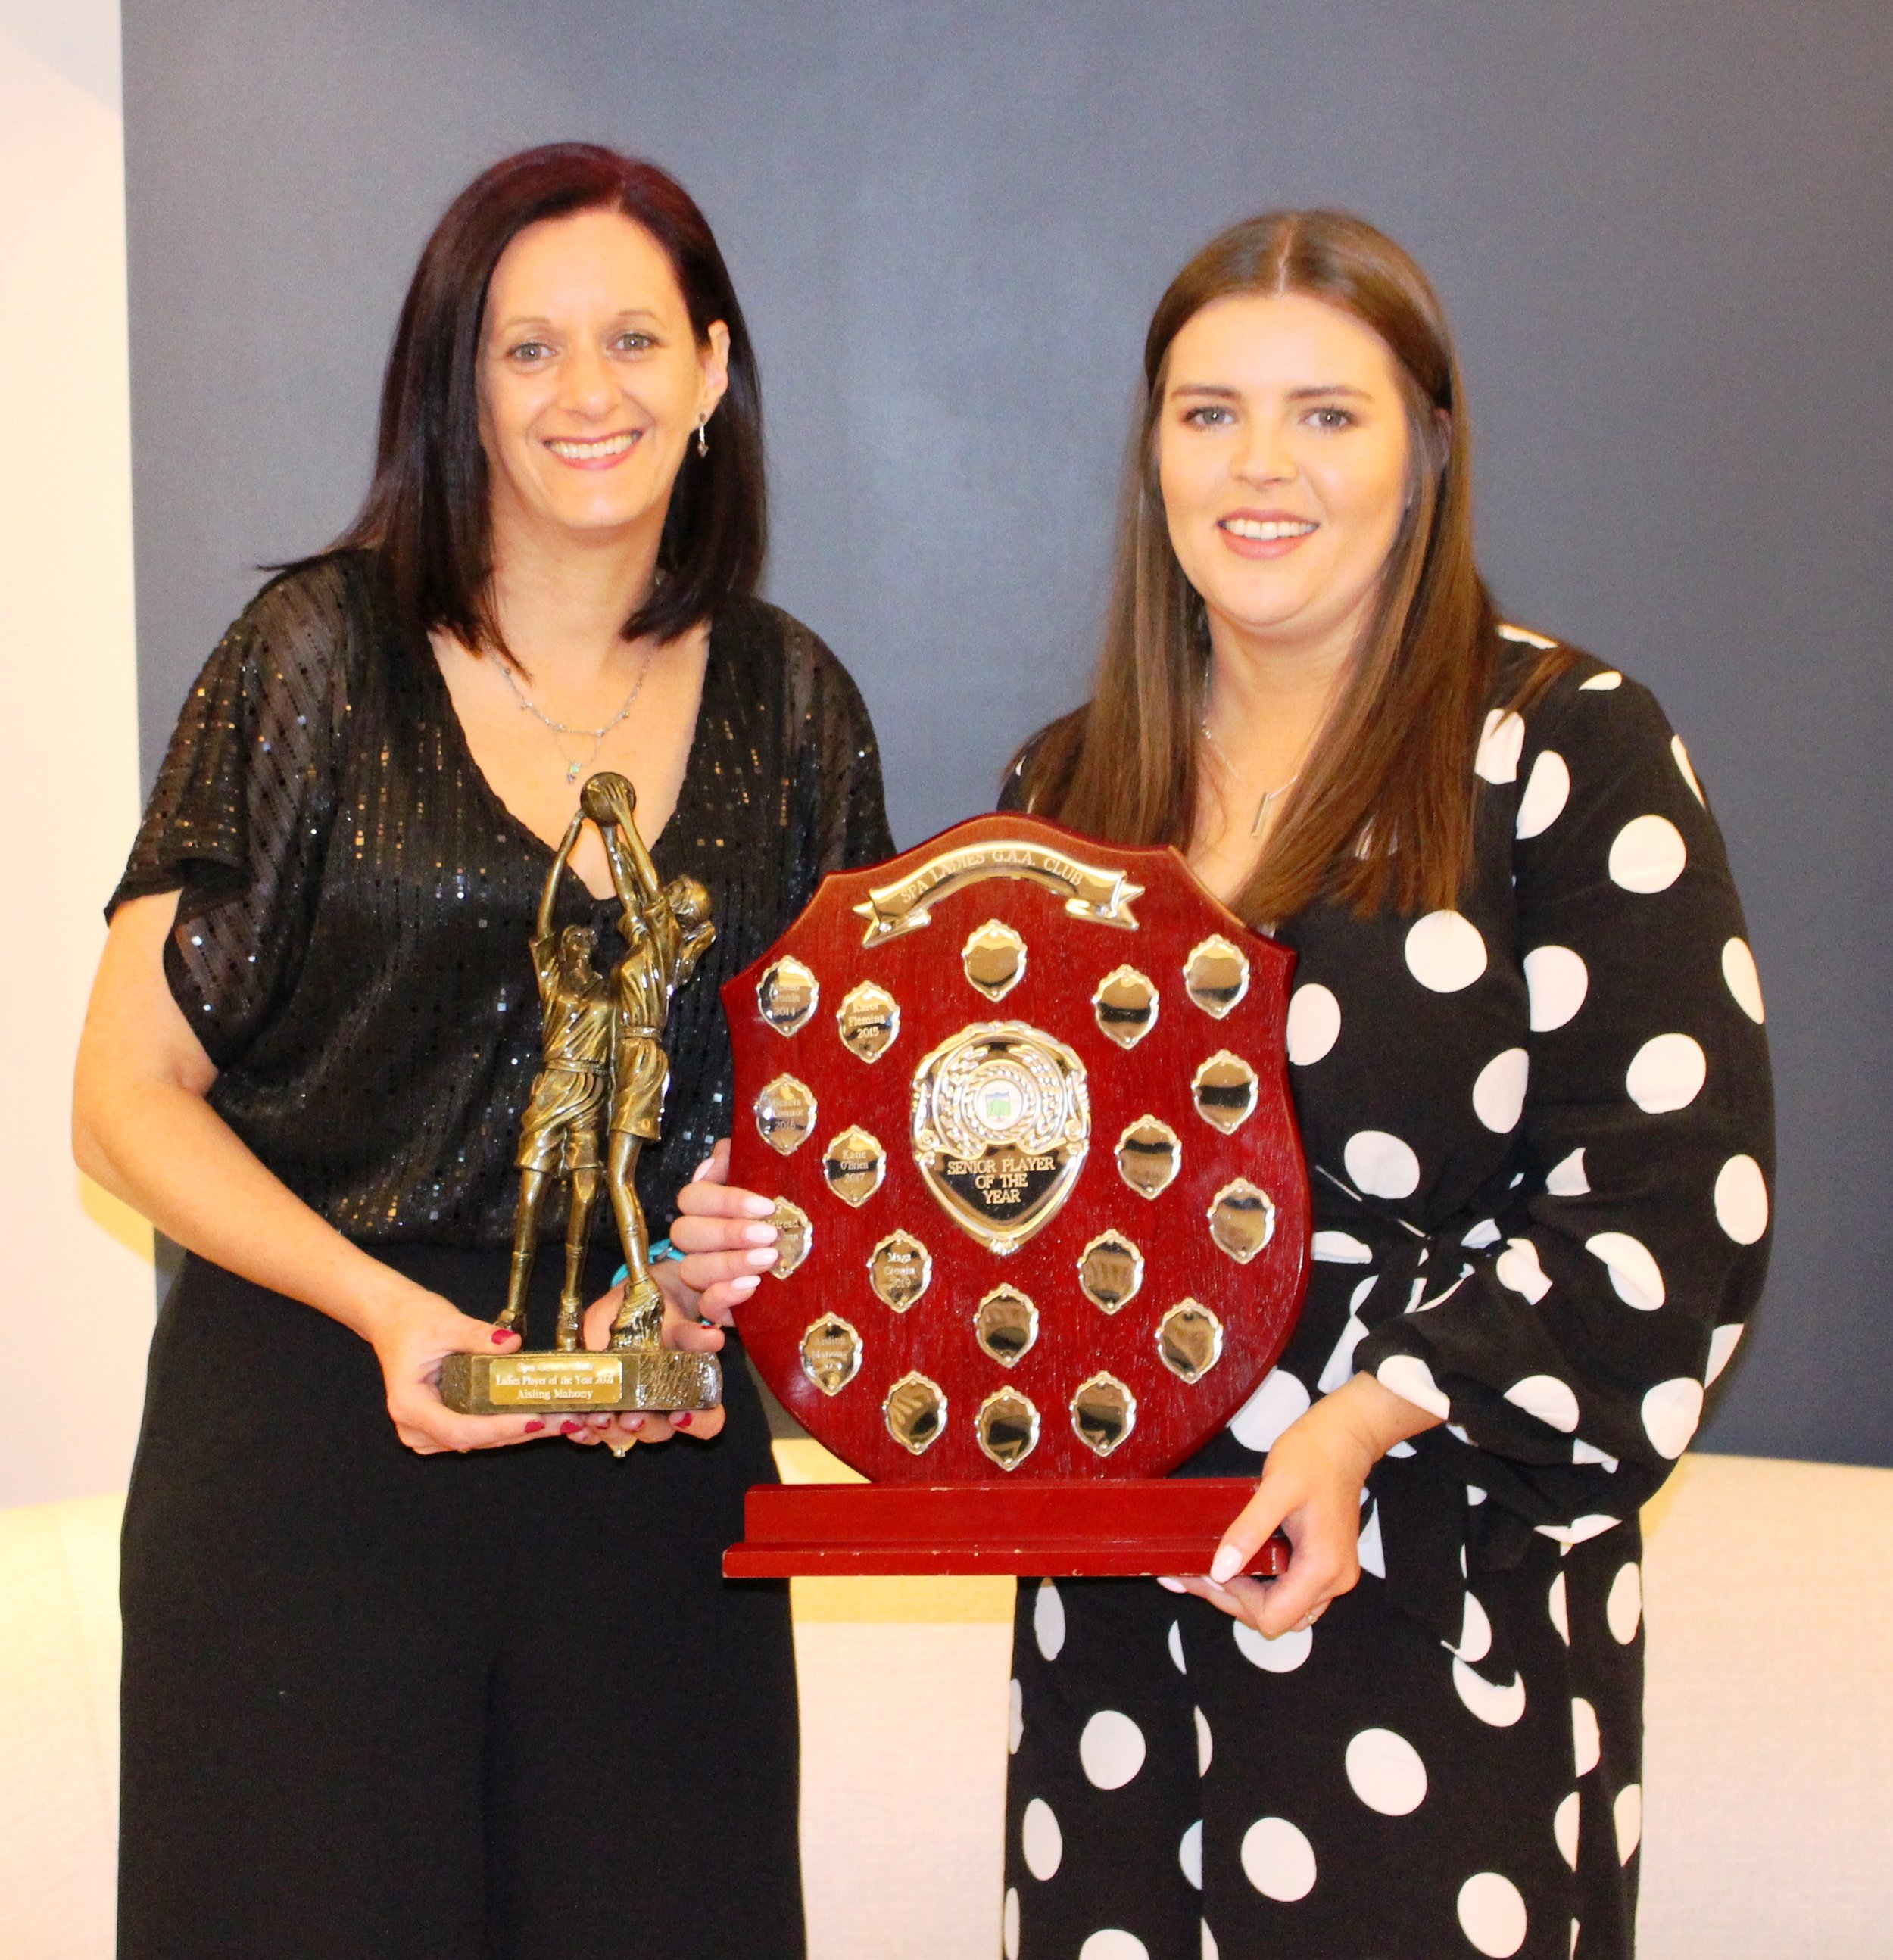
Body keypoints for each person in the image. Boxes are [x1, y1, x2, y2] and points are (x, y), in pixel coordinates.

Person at [73, 142, 892, 1959]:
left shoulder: (797, 703)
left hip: (650, 1479)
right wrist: (380, 1308)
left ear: (711, 366)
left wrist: (704, 1290)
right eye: (525, 351)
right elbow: (122, 1093)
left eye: (628, 341)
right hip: (311, 1447)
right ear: (457, 384)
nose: (583, 394)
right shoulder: (311, 660)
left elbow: (827, 1130)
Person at [991, 212, 1773, 1959]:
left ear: (1423, 451)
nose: (1259, 465)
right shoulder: (1066, 792)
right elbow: (1008, 1212)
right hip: (1122, 1612)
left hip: (1433, 1586)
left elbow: (1672, 1213)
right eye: (1207, 413)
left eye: (1325, 414)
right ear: (1149, 451)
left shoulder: (1564, 749)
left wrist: (1356, 1425)